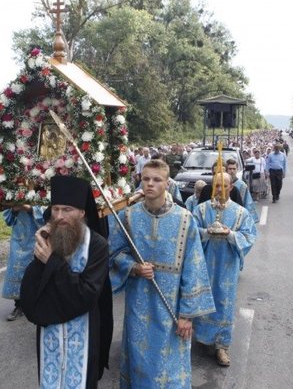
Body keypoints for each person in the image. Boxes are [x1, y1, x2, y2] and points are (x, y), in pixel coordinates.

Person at [109, 159, 215, 388]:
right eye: (146, 179)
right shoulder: (128, 216)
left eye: (156, 180)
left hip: (172, 306)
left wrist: (187, 315)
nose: (150, 184)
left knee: (170, 365)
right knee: (139, 360)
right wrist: (134, 267)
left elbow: (194, 267)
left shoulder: (185, 220)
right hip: (139, 303)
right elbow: (114, 253)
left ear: (167, 184)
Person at [20, 175, 113, 389]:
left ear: (81, 212)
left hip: (84, 329)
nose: (59, 216)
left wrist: (51, 261)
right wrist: (40, 258)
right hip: (50, 327)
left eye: (67, 210)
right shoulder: (49, 238)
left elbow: (87, 294)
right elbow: (31, 292)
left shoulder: (97, 245)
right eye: (56, 209)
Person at [192, 172, 257, 367]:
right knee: (202, 298)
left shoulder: (240, 213)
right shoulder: (201, 210)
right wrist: (206, 232)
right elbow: (190, 231)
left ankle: (222, 346)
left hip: (227, 265)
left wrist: (229, 234)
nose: (220, 189)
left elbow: (249, 236)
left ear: (231, 188)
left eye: (224, 186)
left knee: (224, 303)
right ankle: (203, 337)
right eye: (216, 185)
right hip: (204, 262)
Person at [1, 204, 46, 321]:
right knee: (17, 267)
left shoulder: (43, 186)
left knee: (36, 269)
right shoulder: (14, 188)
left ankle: (38, 303)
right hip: (19, 235)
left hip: (37, 234)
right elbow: (8, 219)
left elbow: (50, 211)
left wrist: (31, 209)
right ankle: (19, 305)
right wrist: (14, 209)